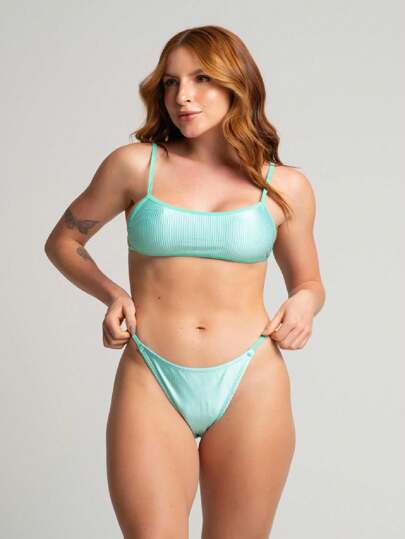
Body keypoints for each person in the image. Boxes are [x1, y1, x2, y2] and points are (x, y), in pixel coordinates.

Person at [45, 25, 325, 539]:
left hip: (250, 380)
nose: (182, 96)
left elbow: (308, 282)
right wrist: (113, 294)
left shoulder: (285, 186)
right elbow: (62, 243)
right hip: (152, 375)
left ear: (236, 84)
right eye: (171, 83)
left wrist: (304, 304)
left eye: (201, 79)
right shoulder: (134, 166)